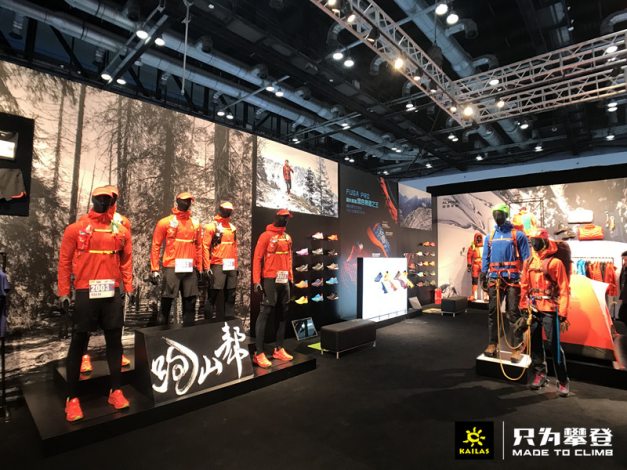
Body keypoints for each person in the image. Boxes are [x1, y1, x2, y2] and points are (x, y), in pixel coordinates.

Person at [58, 187, 134, 421]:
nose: (103, 202)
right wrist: (64, 291)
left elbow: (126, 261)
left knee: (114, 341)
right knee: (78, 342)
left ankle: (116, 390)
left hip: (111, 292)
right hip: (85, 291)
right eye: (99, 198)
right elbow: (64, 261)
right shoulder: (76, 229)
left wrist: (129, 287)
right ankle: (72, 399)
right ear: (92, 199)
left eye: (107, 199)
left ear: (112, 202)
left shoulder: (121, 231)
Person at [77, 184, 131, 372]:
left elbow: (126, 255)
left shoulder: (122, 222)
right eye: (108, 196)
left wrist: (126, 281)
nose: (110, 199)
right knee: (86, 322)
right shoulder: (85, 220)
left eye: (114, 196)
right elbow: (80, 251)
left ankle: (118, 352)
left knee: (115, 322)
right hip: (90, 279)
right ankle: (84, 356)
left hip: (112, 279)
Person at [520, 228, 570, 397]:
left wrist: (563, 312)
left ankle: (562, 380)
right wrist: (523, 306)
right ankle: (540, 374)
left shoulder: (555, 263)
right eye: (532, 241)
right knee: (534, 344)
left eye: (537, 241)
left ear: (544, 242)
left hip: (549, 308)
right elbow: (524, 286)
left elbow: (564, 289)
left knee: (554, 345)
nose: (534, 244)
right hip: (533, 308)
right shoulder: (528, 262)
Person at [480, 204, 530, 363]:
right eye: (494, 214)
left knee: (514, 313)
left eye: (500, 213)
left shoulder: (518, 235)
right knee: (493, 312)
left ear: (506, 214)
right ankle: (492, 344)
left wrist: (527, 280)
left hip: (513, 278)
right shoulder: (490, 237)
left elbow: (526, 259)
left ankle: (516, 348)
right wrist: (483, 274)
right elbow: (485, 257)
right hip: (495, 278)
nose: (497, 216)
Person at [150, 192, 202, 324]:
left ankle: (188, 332)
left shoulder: (195, 223)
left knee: (190, 303)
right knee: (166, 302)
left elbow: (199, 246)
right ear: (177, 201)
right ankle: (162, 332)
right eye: (184, 200)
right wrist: (154, 269)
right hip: (172, 267)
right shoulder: (165, 222)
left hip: (190, 268)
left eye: (189, 201)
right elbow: (156, 245)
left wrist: (200, 267)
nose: (187, 203)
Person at [252, 209, 294, 368]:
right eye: (284, 217)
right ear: (277, 217)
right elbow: (257, 258)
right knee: (265, 313)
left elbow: (289, 258)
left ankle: (279, 348)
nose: (286, 220)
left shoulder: (287, 237)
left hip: (284, 280)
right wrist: (257, 280)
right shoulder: (265, 236)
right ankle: (258, 353)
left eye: (288, 218)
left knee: (283, 313)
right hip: (270, 279)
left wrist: (291, 277)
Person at [203, 201, 238, 321]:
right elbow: (205, 247)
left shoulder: (233, 228)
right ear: (220, 209)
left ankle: (229, 323)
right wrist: (207, 267)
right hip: (217, 265)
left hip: (231, 266)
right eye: (226, 209)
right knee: (213, 295)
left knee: (231, 295)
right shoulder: (211, 227)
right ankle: (208, 324)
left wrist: (236, 266)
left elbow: (234, 248)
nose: (228, 212)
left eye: (230, 210)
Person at [466, 232, 484, 301]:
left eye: (480, 238)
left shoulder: (485, 247)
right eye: (477, 238)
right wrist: (469, 265)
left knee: (485, 280)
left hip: (483, 265)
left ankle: (486, 296)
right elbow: (469, 257)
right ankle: (474, 296)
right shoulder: (472, 247)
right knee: (474, 280)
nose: (479, 239)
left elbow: (488, 256)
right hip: (475, 265)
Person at [618, 251, 627, 324]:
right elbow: (622, 283)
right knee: (622, 315)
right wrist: (622, 296)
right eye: (624, 260)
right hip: (625, 296)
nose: (625, 262)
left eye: (626, 260)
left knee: (622, 314)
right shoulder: (624, 268)